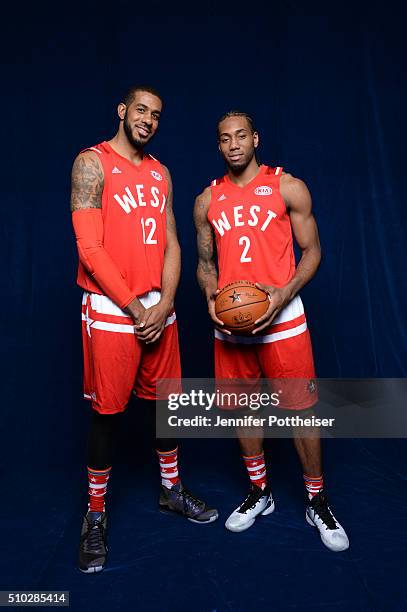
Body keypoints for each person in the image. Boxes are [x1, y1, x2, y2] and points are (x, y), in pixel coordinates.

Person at [71, 85, 218, 573]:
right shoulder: (91, 162)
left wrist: (169, 301)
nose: (148, 120)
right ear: (122, 111)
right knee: (108, 415)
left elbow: (174, 241)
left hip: (160, 309)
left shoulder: (161, 173)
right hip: (115, 311)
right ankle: (95, 515)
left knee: (165, 409)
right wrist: (137, 308)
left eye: (156, 115)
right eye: (141, 110)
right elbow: (90, 250)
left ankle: (170, 491)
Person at [193, 110, 349, 552]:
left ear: (255, 138)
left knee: (302, 411)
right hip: (231, 327)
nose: (234, 144)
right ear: (219, 146)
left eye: (241, 135)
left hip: (283, 322)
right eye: (225, 139)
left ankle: (317, 501)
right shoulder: (206, 200)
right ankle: (261, 493)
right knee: (243, 411)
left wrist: (283, 293)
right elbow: (206, 266)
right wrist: (209, 296)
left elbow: (312, 250)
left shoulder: (288, 186)